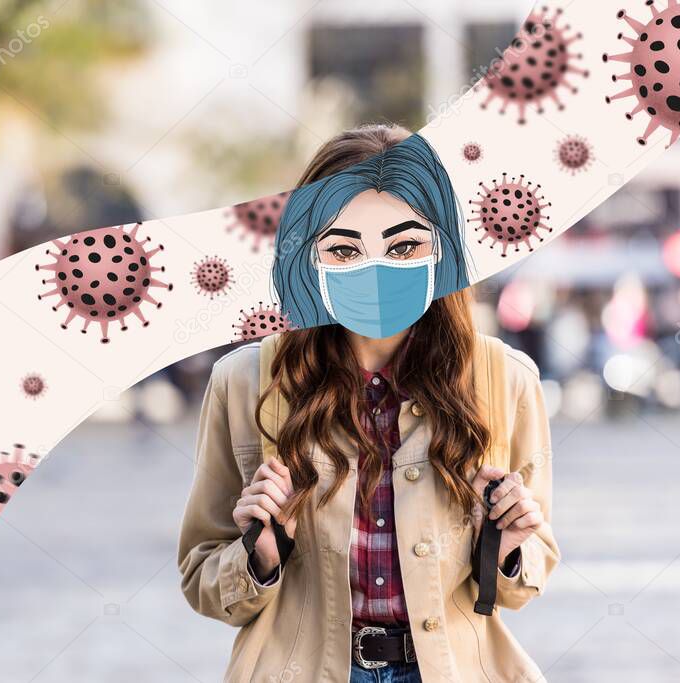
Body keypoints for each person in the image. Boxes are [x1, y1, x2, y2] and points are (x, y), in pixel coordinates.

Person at [177, 124, 558, 683]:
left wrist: (509, 546)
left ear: (444, 249)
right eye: (344, 249)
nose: (375, 270)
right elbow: (201, 578)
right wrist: (258, 556)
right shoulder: (245, 380)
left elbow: (520, 584)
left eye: (405, 245)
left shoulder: (504, 377)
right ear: (307, 255)